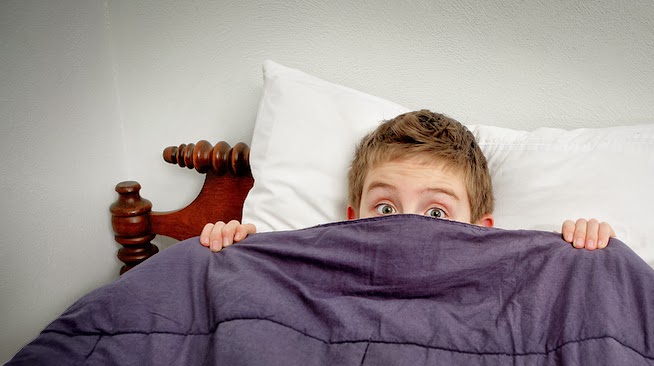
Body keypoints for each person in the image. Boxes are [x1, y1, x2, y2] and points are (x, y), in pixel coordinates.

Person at [200, 109, 616, 251]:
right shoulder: (309, 261)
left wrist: (585, 255)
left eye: (436, 211)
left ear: (481, 229)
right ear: (351, 217)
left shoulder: (506, 284)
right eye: (385, 208)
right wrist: (235, 254)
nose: (405, 225)